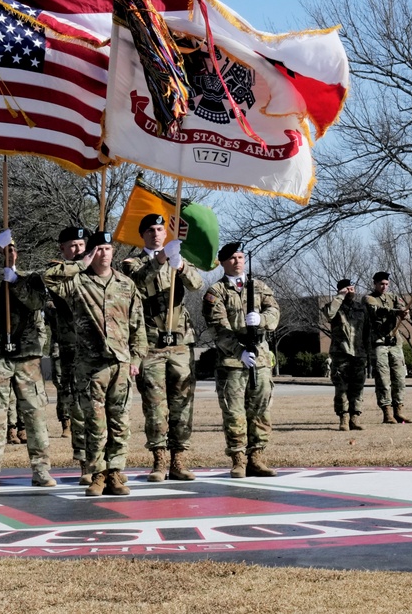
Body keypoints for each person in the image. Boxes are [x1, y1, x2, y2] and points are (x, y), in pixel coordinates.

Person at [46, 230, 147, 497]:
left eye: (107, 249)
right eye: (98, 250)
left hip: (120, 365)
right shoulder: (77, 283)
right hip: (90, 367)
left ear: (114, 252)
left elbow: (138, 326)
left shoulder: (126, 284)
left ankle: (115, 472)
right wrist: (82, 261)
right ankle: (97, 473)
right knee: (94, 422)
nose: (103, 254)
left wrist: (136, 358)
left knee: (120, 422)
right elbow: (49, 278)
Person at [122, 213, 203, 482]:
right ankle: (159, 461)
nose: (157, 234)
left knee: (182, 404)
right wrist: (161, 260)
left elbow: (197, 285)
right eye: (151, 230)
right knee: (155, 407)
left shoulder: (176, 260)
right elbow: (137, 282)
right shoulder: (131, 263)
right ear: (142, 235)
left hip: (180, 344)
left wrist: (180, 267)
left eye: (160, 229)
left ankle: (179, 460)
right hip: (151, 345)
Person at [0, 229, 56, 490]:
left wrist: (17, 282)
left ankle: (41, 469)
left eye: (12, 250)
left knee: (34, 415)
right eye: (4, 251)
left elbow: (36, 303)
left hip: (27, 355)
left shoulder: (31, 278)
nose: (10, 255)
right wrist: (0, 267)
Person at [202, 242, 280, 479]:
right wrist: (239, 352)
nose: (238, 262)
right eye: (233, 258)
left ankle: (256, 457)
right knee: (234, 413)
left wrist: (262, 320)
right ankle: (238, 459)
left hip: (261, 358)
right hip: (233, 362)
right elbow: (219, 328)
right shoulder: (216, 292)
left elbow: (274, 312)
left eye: (240, 257)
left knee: (261, 410)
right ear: (223, 262)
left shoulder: (259, 287)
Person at [44, 225, 90, 482]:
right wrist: (82, 265)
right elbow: (48, 278)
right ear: (62, 249)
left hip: (99, 349)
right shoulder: (61, 272)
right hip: (71, 348)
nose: (78, 250)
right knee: (79, 405)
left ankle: (107, 465)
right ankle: (85, 463)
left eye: (81, 245)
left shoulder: (98, 271)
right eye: (72, 246)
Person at [364, 271, 412, 424]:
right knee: (383, 379)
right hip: (379, 344)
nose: (384, 287)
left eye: (386, 284)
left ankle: (399, 410)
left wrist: (405, 313)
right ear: (375, 284)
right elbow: (377, 311)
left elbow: (404, 311)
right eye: (381, 284)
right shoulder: (369, 298)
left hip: (394, 343)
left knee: (399, 378)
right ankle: (387, 413)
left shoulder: (393, 297)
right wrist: (396, 311)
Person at [322, 279, 368, 431]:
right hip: (340, 352)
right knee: (341, 387)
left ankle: (355, 417)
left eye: (353, 288)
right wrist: (340, 296)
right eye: (347, 289)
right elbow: (328, 314)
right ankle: (343, 417)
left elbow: (368, 330)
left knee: (358, 387)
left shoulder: (360, 308)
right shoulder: (335, 306)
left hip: (359, 353)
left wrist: (369, 351)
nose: (351, 291)